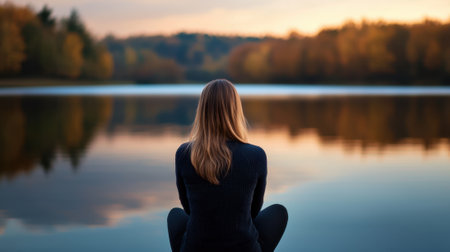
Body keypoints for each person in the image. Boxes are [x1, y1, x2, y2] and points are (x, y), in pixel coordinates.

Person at [167, 79, 288, 252]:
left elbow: (188, 209)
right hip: (243, 248)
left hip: (196, 247)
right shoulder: (256, 155)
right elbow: (253, 212)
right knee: (278, 212)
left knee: (176, 216)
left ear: (202, 110)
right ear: (235, 110)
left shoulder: (184, 153)